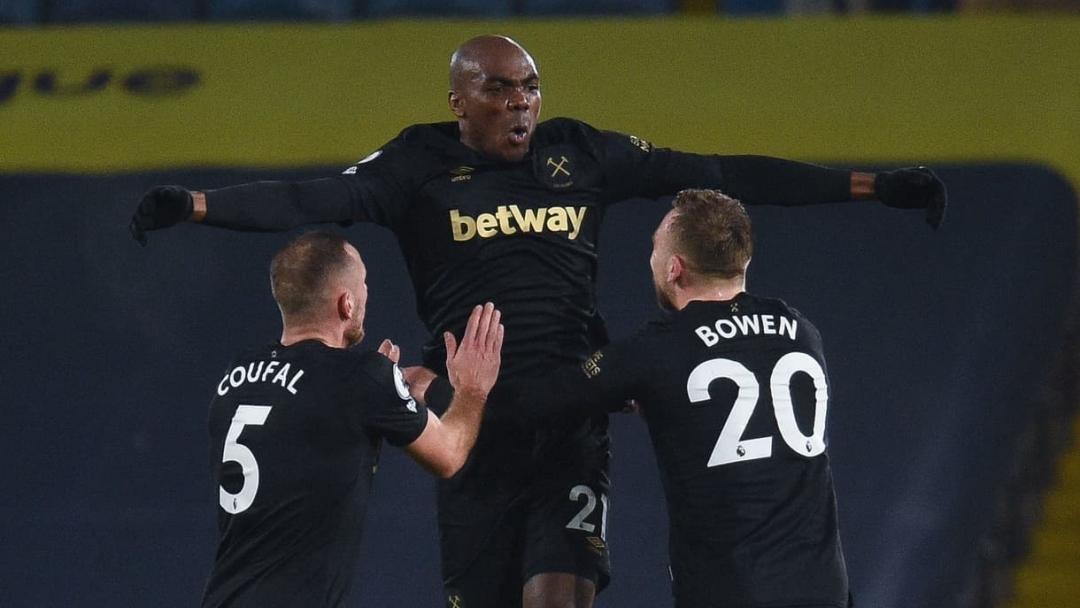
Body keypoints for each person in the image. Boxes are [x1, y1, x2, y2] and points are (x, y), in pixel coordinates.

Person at [130, 35, 945, 608]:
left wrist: (871, 186)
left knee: (558, 595)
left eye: (530, 88)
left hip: (570, 418)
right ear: (458, 101)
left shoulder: (581, 154)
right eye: (499, 89)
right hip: (470, 423)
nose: (520, 104)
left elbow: (721, 172)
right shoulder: (414, 165)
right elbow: (312, 198)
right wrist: (199, 206)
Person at [412, 189, 853, 608]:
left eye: (655, 248)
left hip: (733, 589)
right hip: (825, 589)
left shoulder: (658, 350)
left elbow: (535, 405)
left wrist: (439, 387)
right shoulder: (800, 331)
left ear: (674, 268)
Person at [201, 231, 503, 607]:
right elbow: (450, 454)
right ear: (346, 304)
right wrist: (472, 389)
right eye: (362, 283)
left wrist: (372, 399)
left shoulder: (237, 375)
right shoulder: (362, 377)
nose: (366, 293)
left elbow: (305, 446)